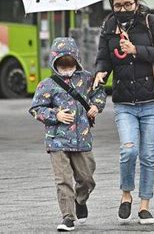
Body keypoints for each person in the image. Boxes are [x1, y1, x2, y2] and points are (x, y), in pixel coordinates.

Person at [93, 0, 154, 225]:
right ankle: (126, 194)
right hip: (124, 101)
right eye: (118, 5)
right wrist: (100, 72)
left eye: (128, 4)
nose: (123, 9)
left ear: (136, 3)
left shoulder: (150, 21)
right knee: (129, 150)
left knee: (148, 156)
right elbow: (104, 57)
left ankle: (145, 204)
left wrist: (136, 49)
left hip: (152, 101)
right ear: (111, 6)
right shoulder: (108, 27)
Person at [29, 37, 106, 232]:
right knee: (62, 180)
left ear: (77, 60)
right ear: (54, 62)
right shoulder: (46, 85)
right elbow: (36, 109)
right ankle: (67, 216)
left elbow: (99, 93)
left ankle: (80, 200)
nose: (66, 66)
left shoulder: (87, 79)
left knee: (87, 178)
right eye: (61, 62)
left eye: (69, 61)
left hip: (82, 138)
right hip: (57, 141)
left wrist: (96, 106)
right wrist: (56, 114)